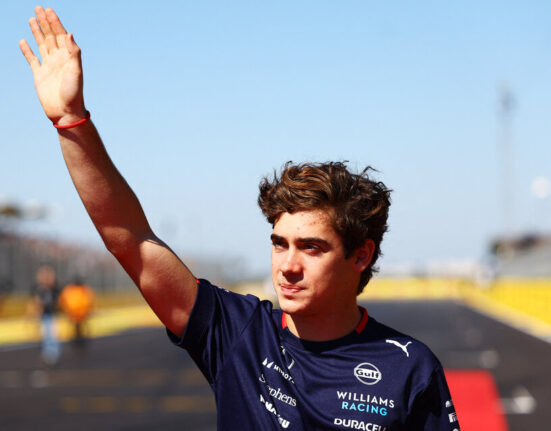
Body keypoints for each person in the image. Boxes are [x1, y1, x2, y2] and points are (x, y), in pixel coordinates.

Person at [20, 7, 460, 430]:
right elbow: (129, 239)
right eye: (279, 243)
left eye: (311, 247)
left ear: (360, 255)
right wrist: (71, 121)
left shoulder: (409, 368)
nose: (287, 266)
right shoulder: (239, 335)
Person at [29, 264, 62, 365]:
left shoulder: (54, 289)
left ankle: (52, 354)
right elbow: (35, 302)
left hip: (51, 314)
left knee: (51, 334)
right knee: (45, 334)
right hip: (42, 314)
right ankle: (48, 354)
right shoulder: (38, 289)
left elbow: (58, 301)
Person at [59, 277, 95, 344]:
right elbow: (63, 300)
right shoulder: (70, 289)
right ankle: (76, 339)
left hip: (81, 313)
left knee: (82, 327)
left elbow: (89, 300)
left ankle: (82, 338)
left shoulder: (84, 289)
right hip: (74, 313)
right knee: (74, 327)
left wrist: (87, 310)